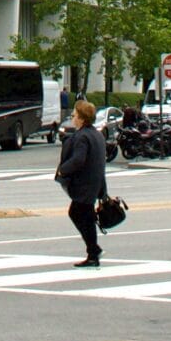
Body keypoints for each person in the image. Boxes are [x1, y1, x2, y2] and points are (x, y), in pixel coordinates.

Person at [55, 99, 108, 267]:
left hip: (84, 185)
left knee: (77, 213)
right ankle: (93, 251)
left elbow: (78, 159)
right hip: (95, 183)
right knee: (86, 216)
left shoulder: (82, 136)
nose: (72, 118)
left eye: (74, 115)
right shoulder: (97, 134)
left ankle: (94, 251)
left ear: (82, 118)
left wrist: (63, 170)